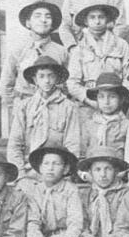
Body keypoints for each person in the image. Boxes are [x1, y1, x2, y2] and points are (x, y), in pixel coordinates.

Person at [7, 56, 80, 186]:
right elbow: (14, 145)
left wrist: (66, 173)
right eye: (41, 76)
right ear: (35, 79)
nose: (46, 81)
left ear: (57, 78)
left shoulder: (69, 107)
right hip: (29, 172)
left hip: (58, 172)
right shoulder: (24, 107)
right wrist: (21, 176)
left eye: (51, 76)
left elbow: (72, 144)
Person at [0, 1, 68, 117]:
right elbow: (4, 86)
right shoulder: (18, 51)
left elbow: (68, 85)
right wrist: (18, 107)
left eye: (48, 17)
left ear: (52, 23)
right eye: (37, 16)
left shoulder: (62, 52)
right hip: (26, 110)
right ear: (28, 23)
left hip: (55, 111)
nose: (43, 20)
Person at [66, 3, 129, 122]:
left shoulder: (121, 45)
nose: (97, 21)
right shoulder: (79, 49)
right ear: (85, 21)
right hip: (88, 106)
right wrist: (90, 100)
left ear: (108, 19)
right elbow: (72, 83)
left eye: (101, 17)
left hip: (117, 104)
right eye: (92, 17)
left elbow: (128, 76)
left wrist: (120, 99)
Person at [80, 72, 129, 159]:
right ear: (96, 99)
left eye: (112, 97)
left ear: (121, 99)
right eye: (101, 97)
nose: (106, 102)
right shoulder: (89, 124)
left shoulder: (126, 125)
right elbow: (82, 151)